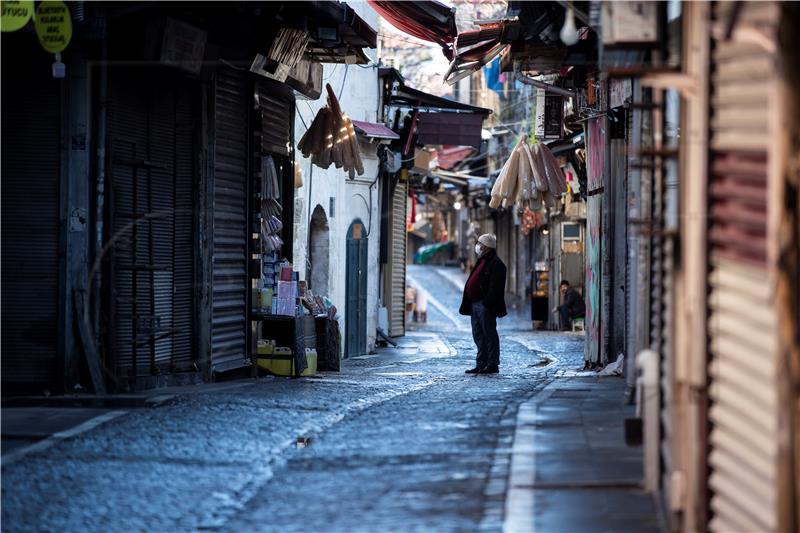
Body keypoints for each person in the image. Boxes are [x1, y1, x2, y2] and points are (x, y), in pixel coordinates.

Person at [459, 233, 507, 374]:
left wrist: (487, 303)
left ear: (486, 247)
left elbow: (496, 288)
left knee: (489, 334)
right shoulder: (482, 260)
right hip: (475, 304)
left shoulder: (496, 263)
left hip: (484, 305)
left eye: (479, 243)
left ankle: (492, 364)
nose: (477, 246)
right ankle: (481, 364)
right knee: (478, 334)